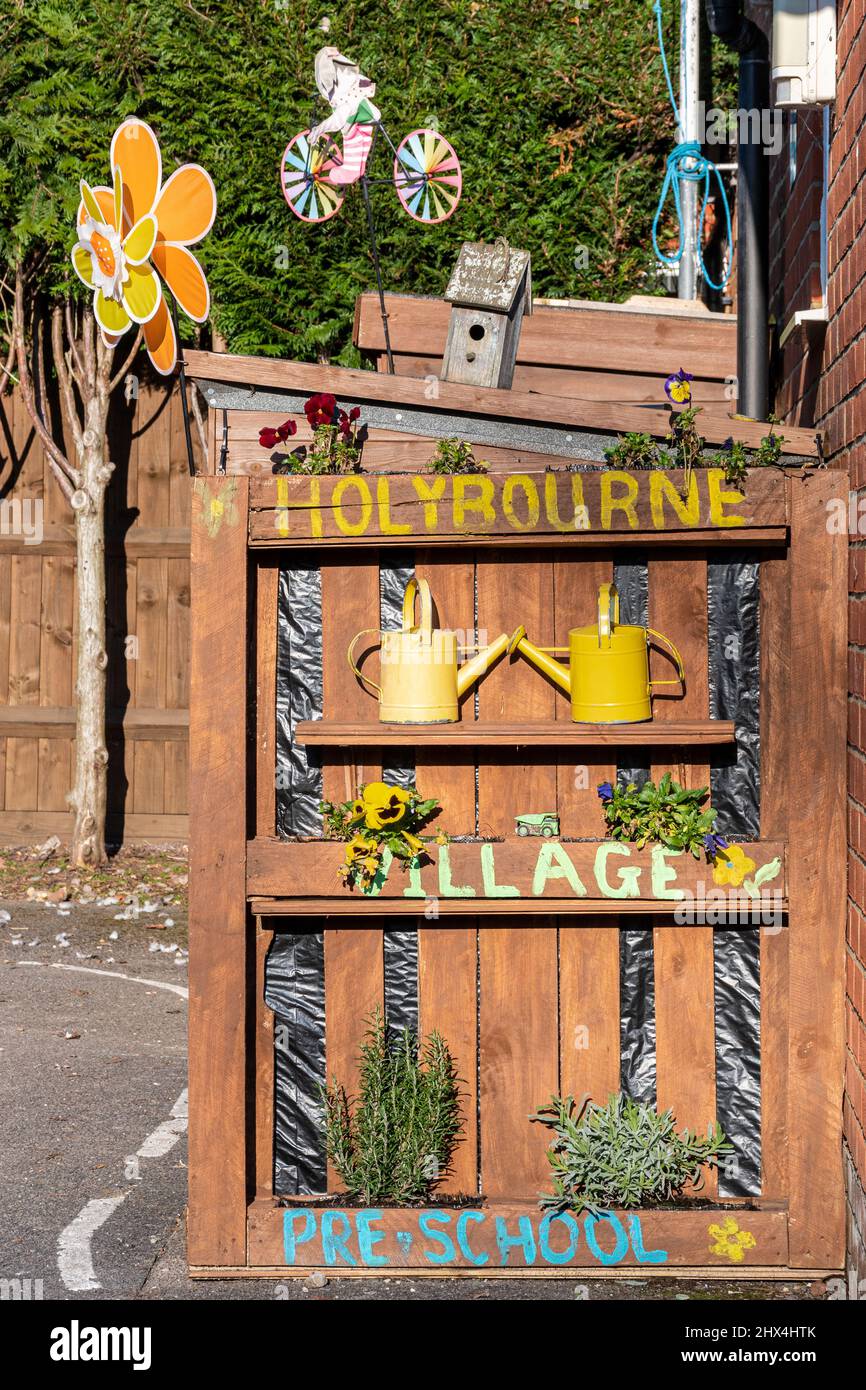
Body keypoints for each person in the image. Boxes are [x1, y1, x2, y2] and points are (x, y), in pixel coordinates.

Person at [307, 47, 381, 186]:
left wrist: (319, 129)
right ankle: (356, 168)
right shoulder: (348, 90)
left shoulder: (346, 100)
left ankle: (352, 170)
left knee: (350, 131)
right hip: (365, 115)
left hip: (363, 115)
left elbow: (337, 120)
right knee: (354, 131)